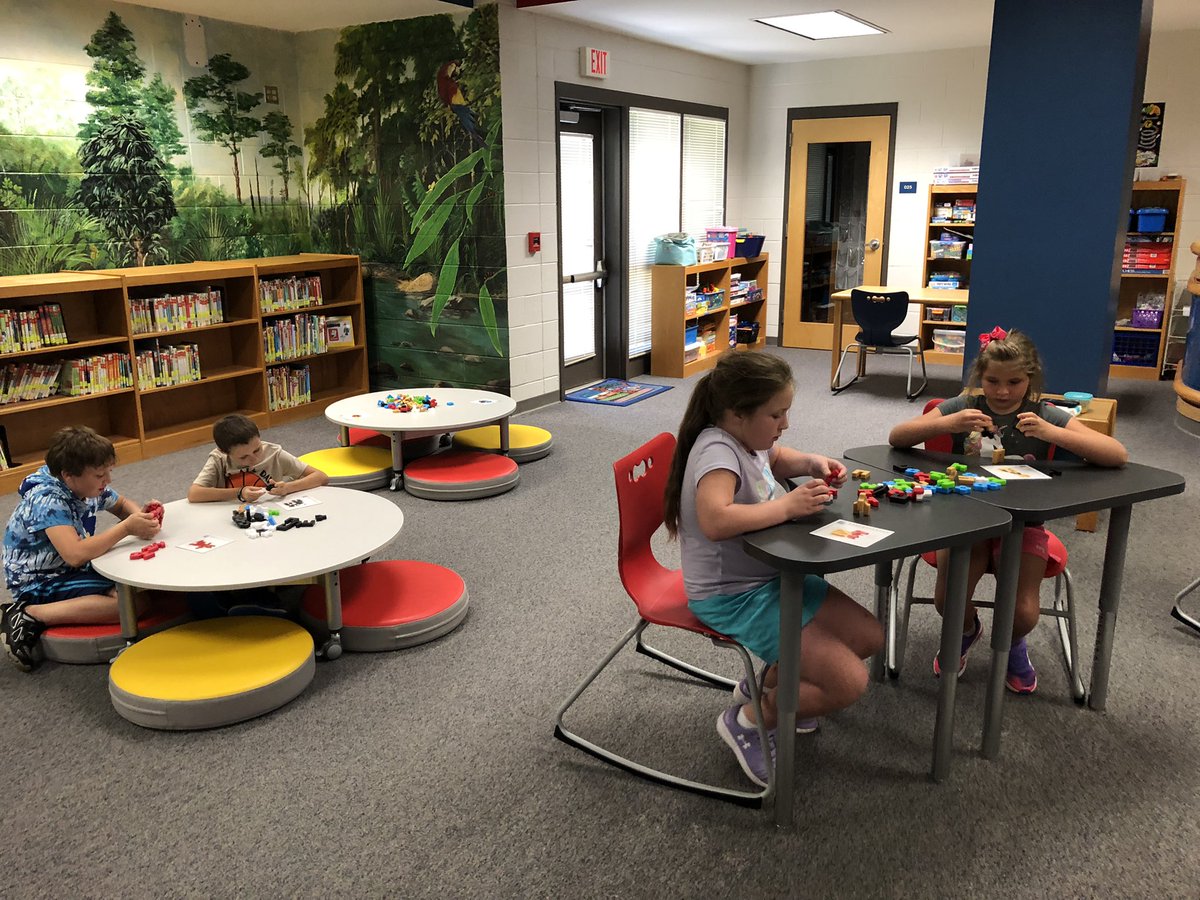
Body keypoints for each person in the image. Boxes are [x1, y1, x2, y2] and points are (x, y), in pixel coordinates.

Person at [663, 351, 884, 787]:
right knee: (849, 685)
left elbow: (776, 457)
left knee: (870, 637)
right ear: (737, 414)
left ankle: (765, 686)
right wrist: (786, 506)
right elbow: (715, 519)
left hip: (770, 576)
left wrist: (810, 463)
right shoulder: (716, 453)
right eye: (776, 414)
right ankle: (750, 719)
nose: (784, 424)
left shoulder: (747, 439)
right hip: (733, 595)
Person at [887, 326, 1128, 694]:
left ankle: (1013, 641)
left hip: (1023, 524)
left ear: (1030, 379)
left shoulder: (1045, 413)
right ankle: (968, 630)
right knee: (947, 603)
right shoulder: (966, 406)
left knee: (1023, 613)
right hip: (966, 520)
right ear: (979, 378)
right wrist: (946, 421)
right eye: (992, 381)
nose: (1001, 392)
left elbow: (1117, 455)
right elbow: (897, 437)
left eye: (1014, 382)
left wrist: (1052, 433)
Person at [2, 426, 162, 671]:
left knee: (138, 583)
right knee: (134, 605)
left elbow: (119, 504)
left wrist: (141, 515)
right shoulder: (47, 499)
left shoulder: (82, 483)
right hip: (40, 579)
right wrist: (127, 528)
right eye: (100, 475)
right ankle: (28, 612)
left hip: (66, 566)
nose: (107, 480)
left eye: (108, 471)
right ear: (68, 475)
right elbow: (74, 555)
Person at [188, 414, 328, 503]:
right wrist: (239, 492)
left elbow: (320, 477)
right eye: (243, 457)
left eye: (257, 450)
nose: (254, 459)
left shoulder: (273, 453)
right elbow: (194, 494)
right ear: (224, 451)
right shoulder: (218, 459)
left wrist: (288, 487)